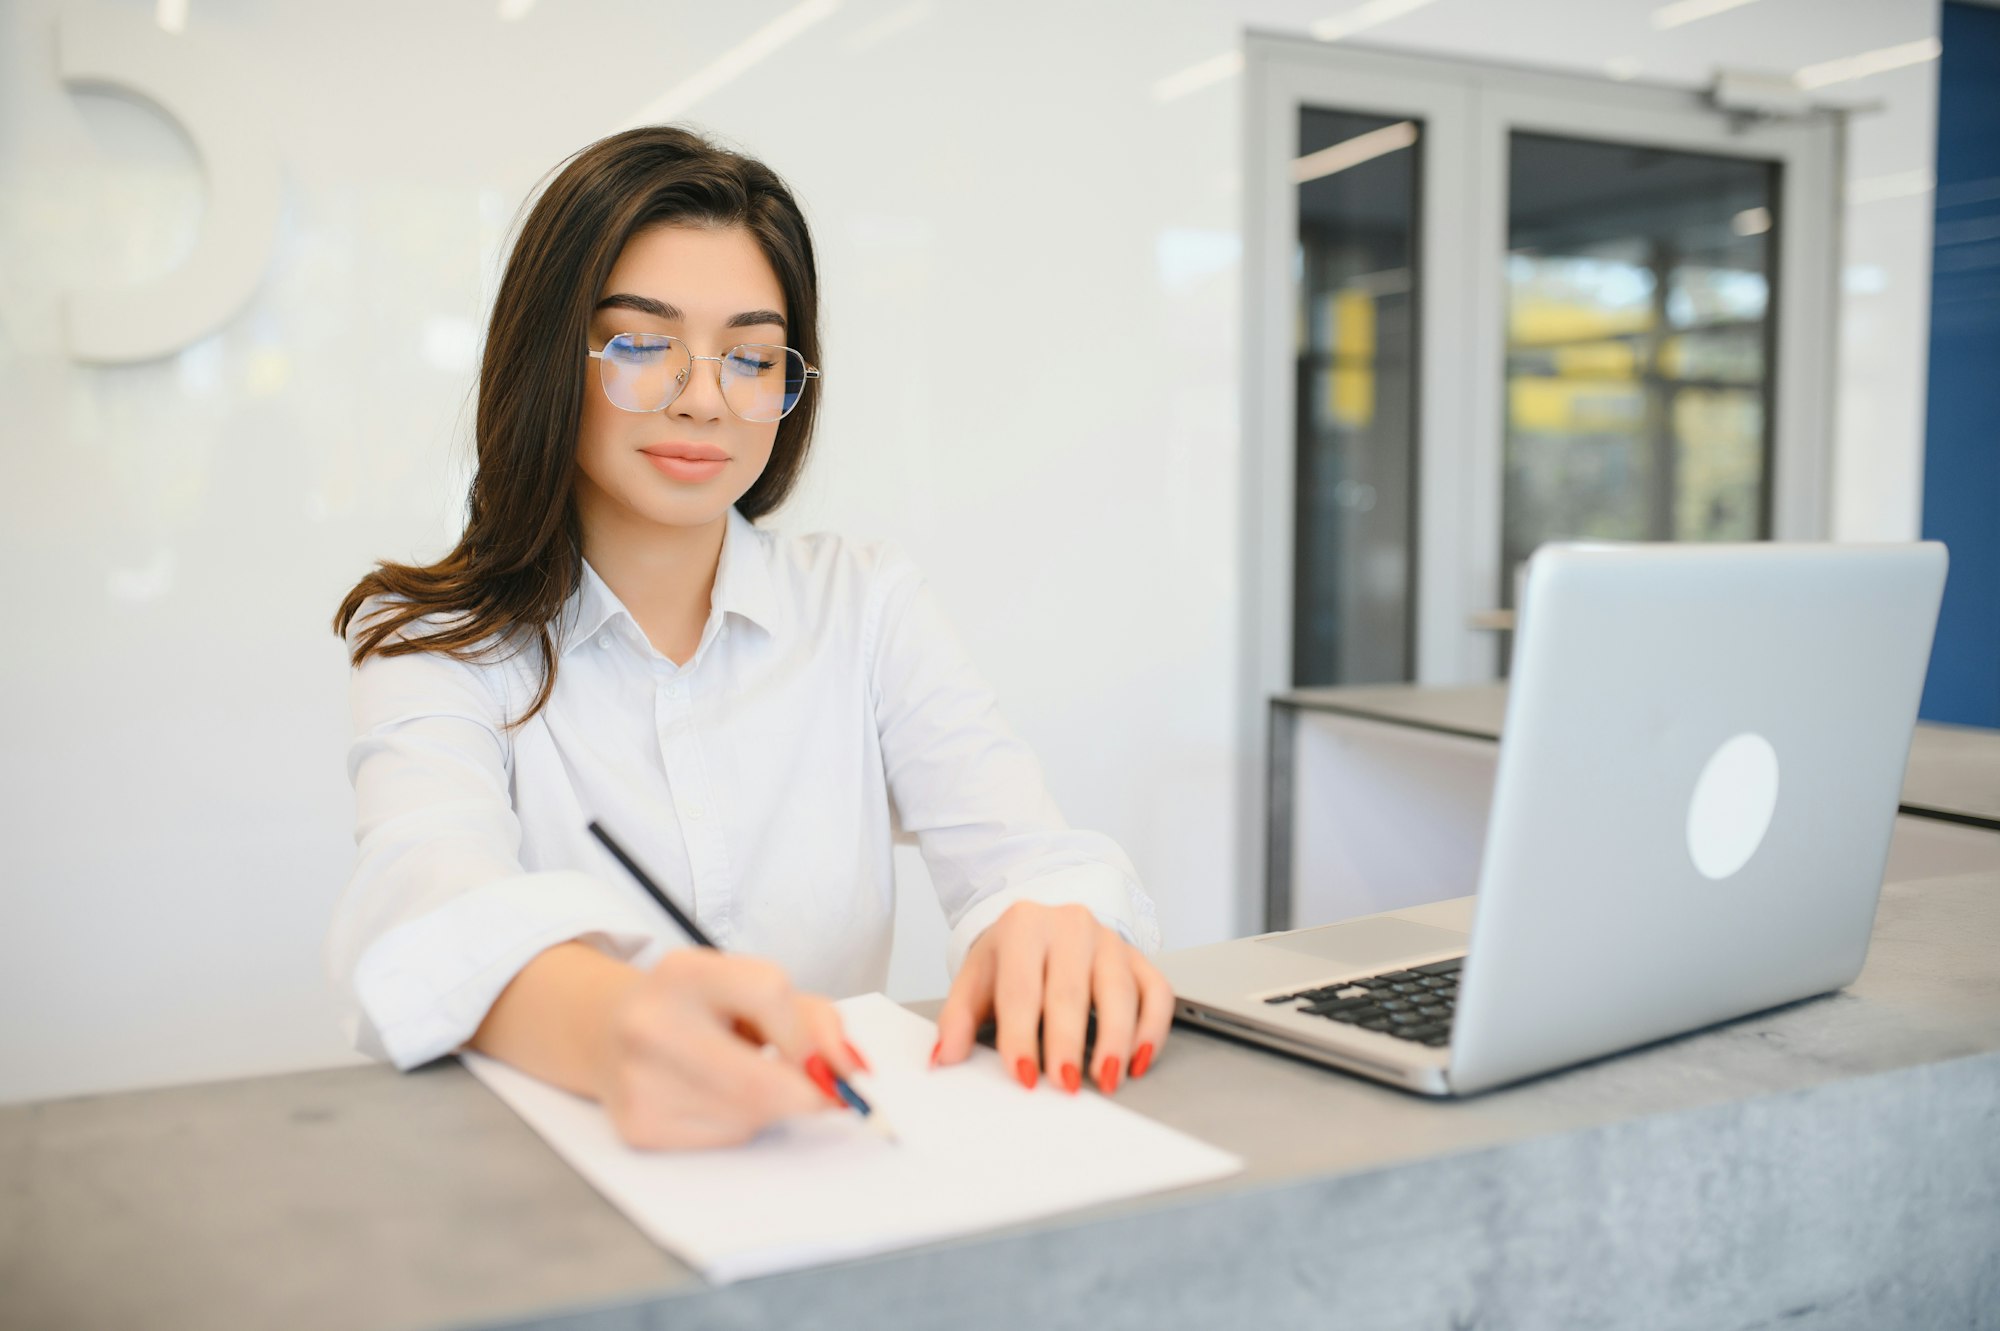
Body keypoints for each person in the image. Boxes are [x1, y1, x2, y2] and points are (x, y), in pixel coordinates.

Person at [328, 126, 1170, 1150]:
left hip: (832, 1165)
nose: (701, 396)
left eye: (750, 356)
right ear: (553, 354)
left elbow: (1029, 858)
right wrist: (612, 1023)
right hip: (568, 1191)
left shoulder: (862, 603)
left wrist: (1050, 917)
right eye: (640, 344)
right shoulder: (435, 640)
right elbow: (419, 900)